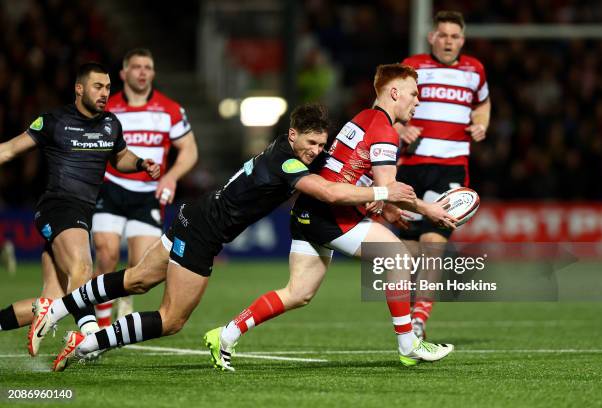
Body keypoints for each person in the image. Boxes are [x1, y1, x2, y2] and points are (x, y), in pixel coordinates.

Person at [28, 103, 417, 371]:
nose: (317, 151)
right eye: (311, 143)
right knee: (172, 320)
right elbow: (331, 193)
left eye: (321, 144)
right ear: (293, 134)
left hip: (193, 214)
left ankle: (58, 309)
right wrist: (385, 193)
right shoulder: (287, 162)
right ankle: (88, 343)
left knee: (136, 279)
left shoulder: (286, 151)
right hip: (203, 232)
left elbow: (337, 173)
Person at [205, 63, 457, 372]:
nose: (418, 101)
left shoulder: (364, 118)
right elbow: (388, 187)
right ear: (395, 93)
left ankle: (225, 335)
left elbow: (358, 175)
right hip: (331, 214)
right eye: (414, 94)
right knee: (399, 258)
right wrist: (429, 209)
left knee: (298, 293)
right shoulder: (384, 130)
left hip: (308, 212)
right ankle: (409, 345)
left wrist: (387, 204)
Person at [0, 63, 160, 351]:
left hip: (82, 213)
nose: (104, 93)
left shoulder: (111, 124)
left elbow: (120, 156)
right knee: (83, 267)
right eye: (98, 87)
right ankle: (90, 339)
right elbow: (10, 149)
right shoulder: (54, 121)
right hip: (58, 207)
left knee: (51, 302)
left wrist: (139, 164)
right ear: (79, 88)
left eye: (108, 88)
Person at [394, 11, 491, 339]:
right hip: (410, 167)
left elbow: (483, 104)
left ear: (462, 40)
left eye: (455, 36)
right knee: (406, 250)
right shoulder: (412, 66)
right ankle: (406, 316)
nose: (448, 41)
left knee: (433, 243)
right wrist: (401, 126)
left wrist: (482, 125)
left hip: (450, 167)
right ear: (431, 37)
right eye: (443, 35)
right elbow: (386, 106)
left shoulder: (474, 70)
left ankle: (419, 319)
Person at [92, 48, 198, 326]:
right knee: (106, 253)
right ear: (123, 74)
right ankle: (101, 327)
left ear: (153, 73)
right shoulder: (107, 108)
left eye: (147, 67)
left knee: (140, 269)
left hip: (148, 196)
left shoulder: (170, 109)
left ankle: (123, 298)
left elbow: (189, 150)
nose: (142, 72)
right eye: (136, 67)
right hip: (111, 188)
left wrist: (171, 176)